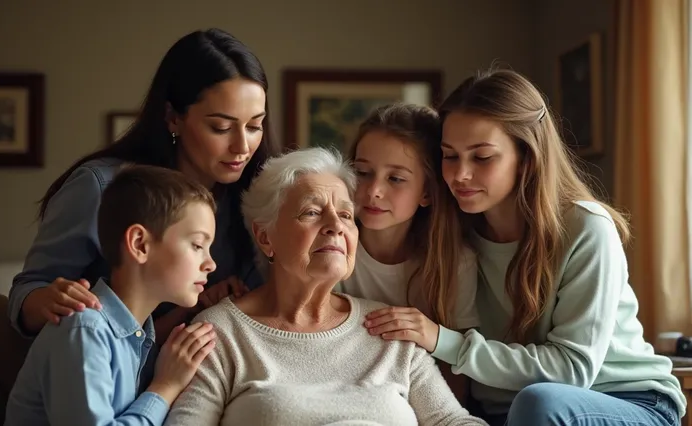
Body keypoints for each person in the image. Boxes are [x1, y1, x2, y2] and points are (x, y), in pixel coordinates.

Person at [369, 68, 686, 425]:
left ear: (527, 157)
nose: (460, 175)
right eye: (450, 156)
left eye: (482, 157)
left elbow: (572, 370)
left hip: (624, 399)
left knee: (539, 404)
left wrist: (443, 340)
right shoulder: (455, 233)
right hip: (509, 410)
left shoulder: (586, 228)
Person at [163, 148, 487, 426]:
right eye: (312, 212)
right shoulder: (220, 332)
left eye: (346, 215)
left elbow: (452, 421)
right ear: (266, 237)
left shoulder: (389, 328)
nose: (335, 227)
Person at [7, 28, 279, 346]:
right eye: (221, 127)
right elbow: (25, 296)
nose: (242, 146)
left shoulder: (257, 198)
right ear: (172, 117)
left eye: (254, 125)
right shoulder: (101, 187)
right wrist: (48, 300)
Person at [5, 165, 218, 426]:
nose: (211, 264)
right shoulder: (85, 330)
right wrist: (166, 386)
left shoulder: (143, 337)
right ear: (140, 244)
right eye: (197, 245)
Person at [334, 103, 479, 402]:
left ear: (426, 192)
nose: (373, 190)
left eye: (395, 178)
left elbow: (456, 371)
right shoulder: (333, 245)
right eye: (362, 172)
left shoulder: (455, 262)